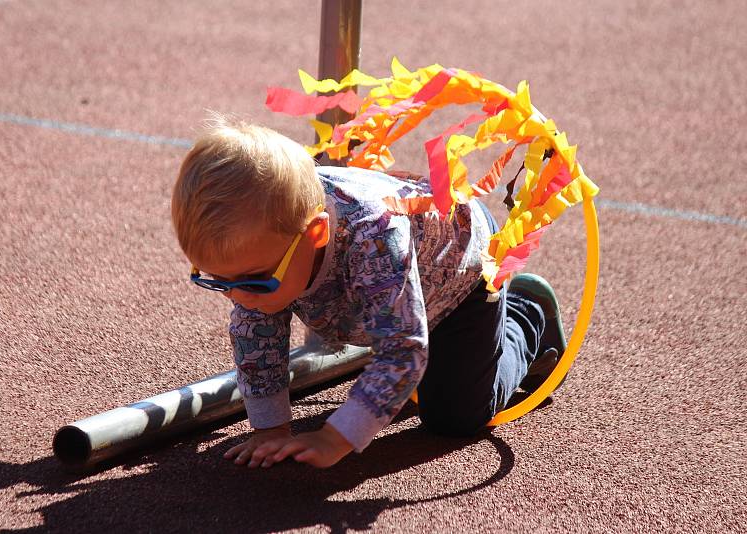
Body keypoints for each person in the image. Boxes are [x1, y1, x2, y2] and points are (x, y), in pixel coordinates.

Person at [170, 114, 567, 469]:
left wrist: (336, 437)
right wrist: (270, 428)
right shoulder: (268, 250)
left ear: (317, 233)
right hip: (398, 288)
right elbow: (256, 339)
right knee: (267, 312)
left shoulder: (374, 238)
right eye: (217, 282)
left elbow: (402, 347)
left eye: (253, 280)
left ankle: (526, 316)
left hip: (463, 272)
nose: (237, 296)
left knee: (454, 418)